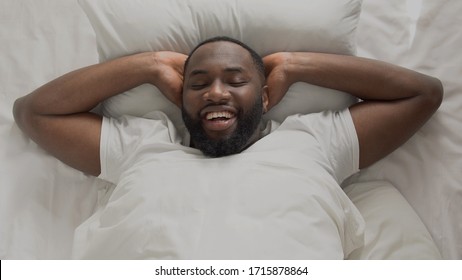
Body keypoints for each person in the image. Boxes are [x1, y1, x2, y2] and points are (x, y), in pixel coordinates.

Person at [13, 36, 443, 259]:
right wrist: (146, 66)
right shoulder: (143, 146)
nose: (216, 92)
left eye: (236, 81)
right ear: (179, 99)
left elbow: (422, 95)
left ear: (266, 97)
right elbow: (34, 113)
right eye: (197, 84)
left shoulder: (310, 141)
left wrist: (293, 64)